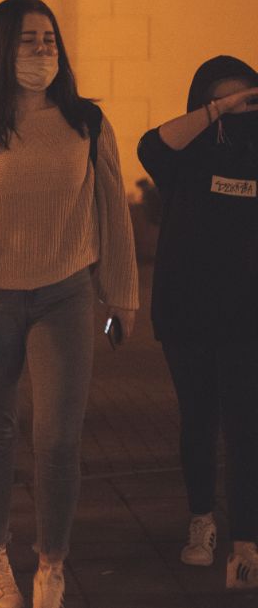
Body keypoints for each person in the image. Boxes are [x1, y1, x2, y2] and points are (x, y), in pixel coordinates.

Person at [0, 0, 138, 608]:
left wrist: (122, 295)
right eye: (27, 40)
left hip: (64, 296)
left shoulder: (86, 122)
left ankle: (51, 564)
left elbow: (112, 214)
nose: (42, 50)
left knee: (58, 439)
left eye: (49, 39)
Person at [137, 55, 258, 591]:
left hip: (247, 315)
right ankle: (201, 520)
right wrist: (217, 112)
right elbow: (149, 146)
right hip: (186, 311)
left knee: (246, 426)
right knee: (198, 421)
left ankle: (246, 542)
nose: (236, 112)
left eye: (246, 100)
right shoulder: (185, 157)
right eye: (223, 100)